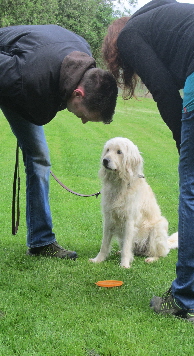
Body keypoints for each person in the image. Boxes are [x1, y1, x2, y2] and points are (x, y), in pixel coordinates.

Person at [102, 0, 194, 323]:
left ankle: (186, 300)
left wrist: (182, 137)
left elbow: (162, 89)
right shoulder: (157, 15)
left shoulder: (130, 36)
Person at [0, 24, 118, 260]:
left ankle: (41, 242)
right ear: (78, 94)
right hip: (12, 71)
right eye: (85, 115)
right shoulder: (29, 78)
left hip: (21, 70)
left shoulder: (82, 57)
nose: (83, 121)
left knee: (39, 158)